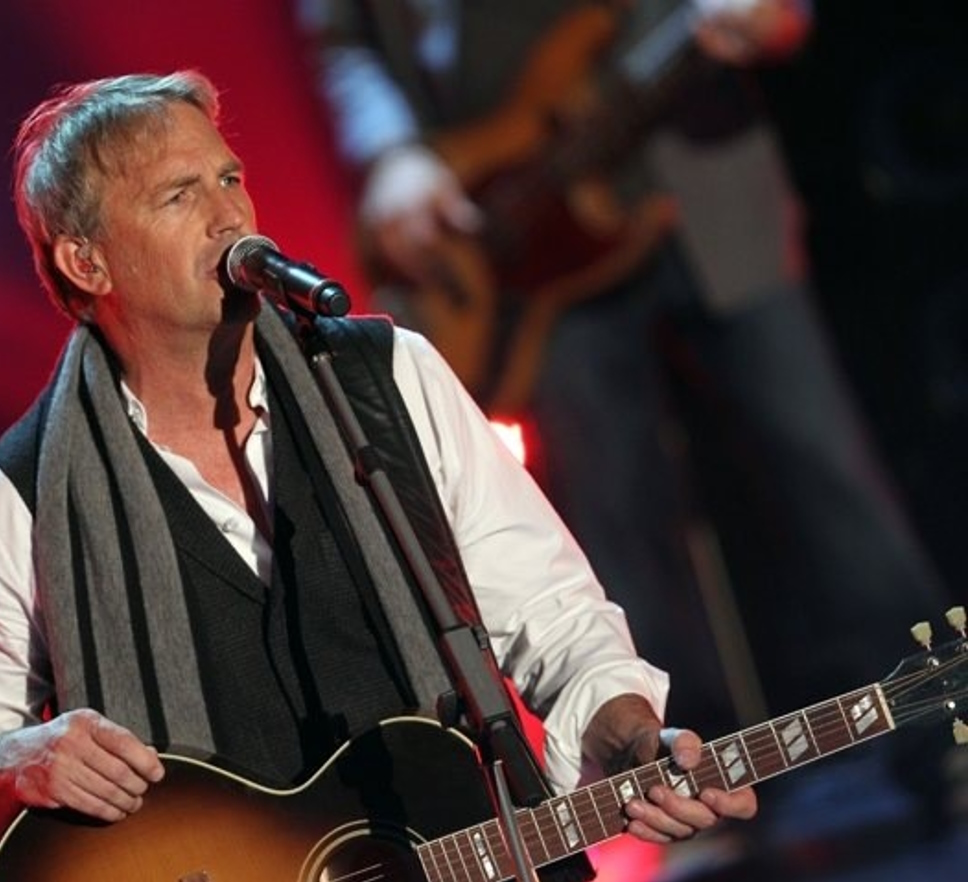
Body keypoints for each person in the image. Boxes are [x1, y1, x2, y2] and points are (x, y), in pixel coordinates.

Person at [0, 70, 756, 882]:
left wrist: (627, 732)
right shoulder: (13, 498)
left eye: (229, 177)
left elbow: (554, 619)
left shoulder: (388, 380)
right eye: (179, 195)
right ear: (87, 261)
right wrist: (15, 760)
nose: (230, 215)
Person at [298, 0, 949, 741]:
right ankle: (679, 769)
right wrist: (392, 154)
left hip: (698, 168)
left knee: (820, 460)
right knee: (616, 531)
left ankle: (936, 712)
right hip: (519, 217)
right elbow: (342, 39)